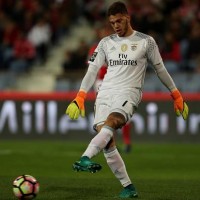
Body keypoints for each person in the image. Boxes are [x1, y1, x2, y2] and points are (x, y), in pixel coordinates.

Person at [66, 1, 189, 198]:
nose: (116, 25)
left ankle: (85, 157)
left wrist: (176, 94)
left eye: (119, 21)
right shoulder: (105, 43)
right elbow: (92, 70)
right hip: (104, 92)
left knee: (113, 121)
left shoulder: (146, 42)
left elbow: (161, 70)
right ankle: (128, 187)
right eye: (112, 22)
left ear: (128, 18)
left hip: (129, 92)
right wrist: (80, 96)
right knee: (107, 141)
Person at [88, 25, 132, 153]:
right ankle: (109, 143)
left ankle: (127, 141)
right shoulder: (96, 48)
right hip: (102, 83)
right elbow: (92, 64)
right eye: (104, 31)